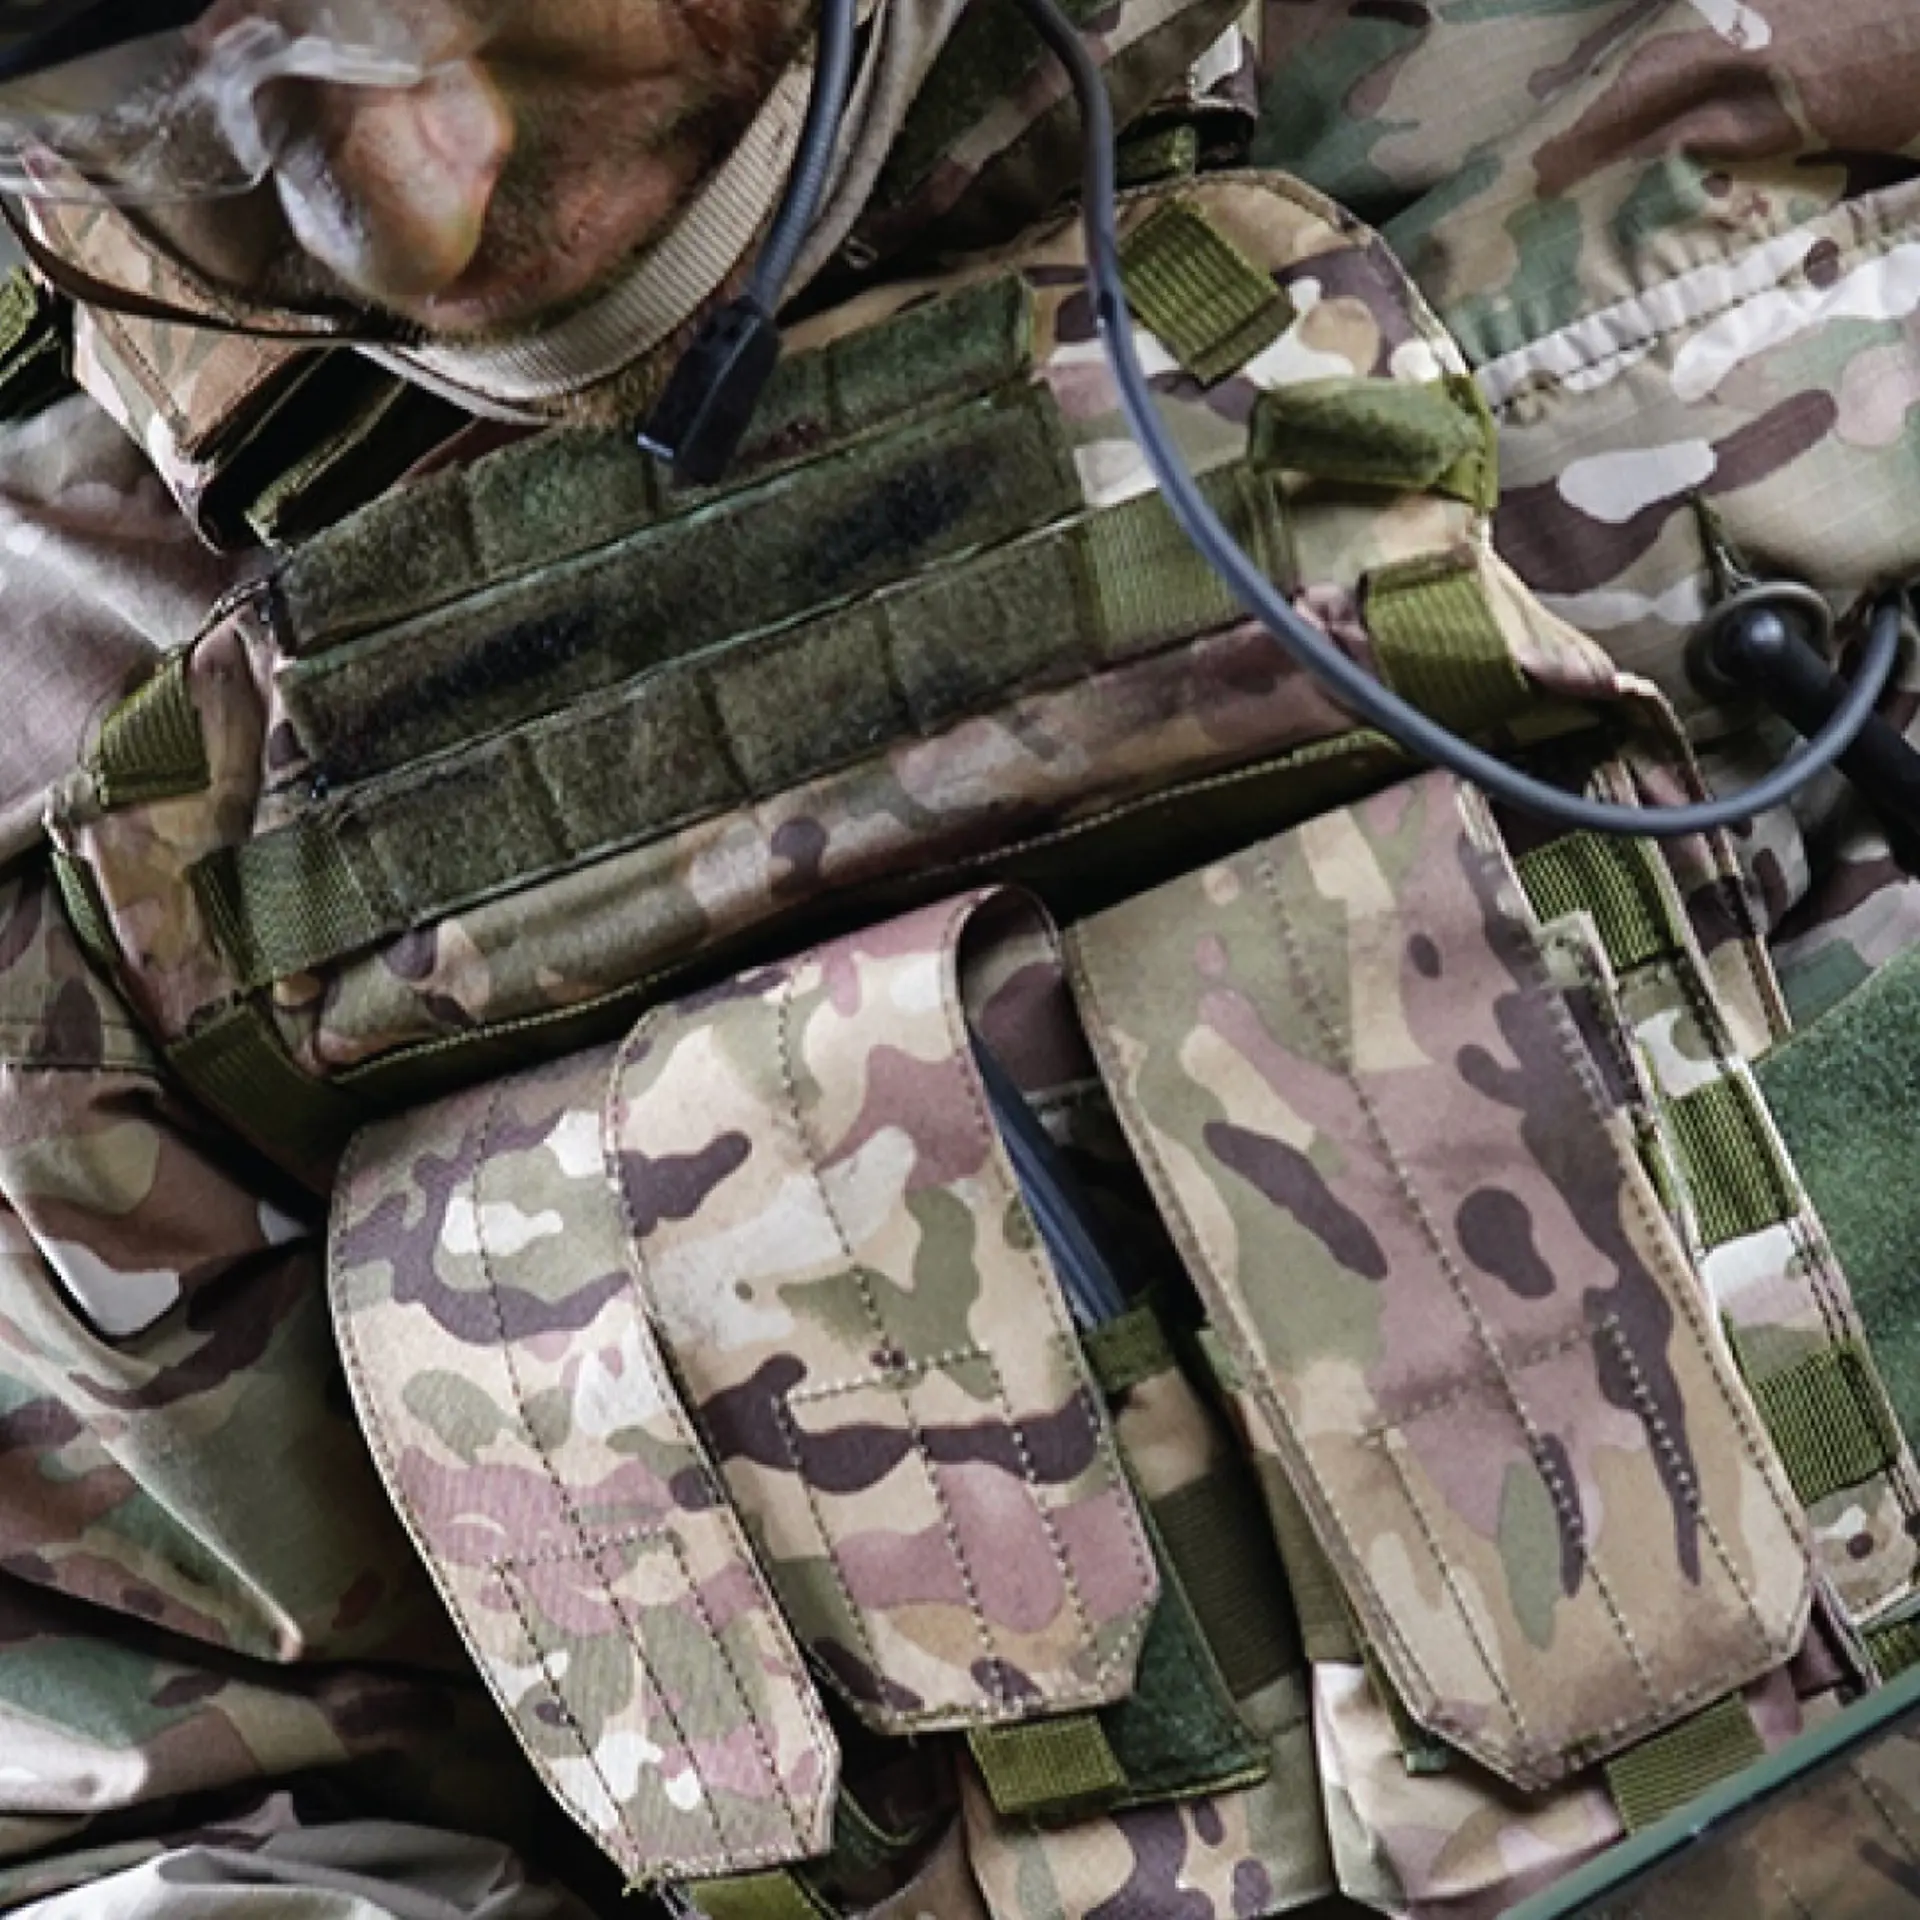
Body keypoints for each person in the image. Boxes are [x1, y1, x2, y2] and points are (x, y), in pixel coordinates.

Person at [4, 3, 1920, 1916]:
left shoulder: (1730, 74)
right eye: (159, 110)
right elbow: (138, 1802)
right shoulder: (85, 778)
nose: (406, 217)